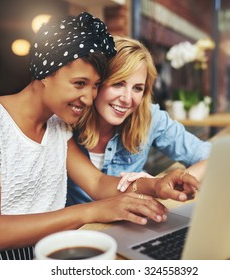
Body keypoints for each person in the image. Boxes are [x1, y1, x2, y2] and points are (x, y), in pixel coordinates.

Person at [0, 12, 199, 260]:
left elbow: (96, 182)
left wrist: (156, 185)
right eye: (79, 84)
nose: (88, 97)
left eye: (95, 86)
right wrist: (92, 210)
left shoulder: (56, 126)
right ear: (44, 74)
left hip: (42, 252)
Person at [67, 36, 212, 206]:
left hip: (128, 224)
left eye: (137, 88)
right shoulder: (68, 118)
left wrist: (178, 180)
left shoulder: (149, 117)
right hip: (79, 229)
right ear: (97, 83)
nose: (127, 99)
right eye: (118, 84)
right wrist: (150, 186)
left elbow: (213, 157)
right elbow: (97, 185)